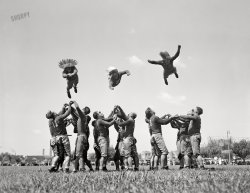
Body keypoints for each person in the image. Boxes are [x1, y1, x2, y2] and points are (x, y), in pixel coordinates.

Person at [46, 102, 72, 173]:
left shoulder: (50, 121)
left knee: (56, 155)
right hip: (63, 136)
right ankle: (66, 168)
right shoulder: (59, 118)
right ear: (53, 113)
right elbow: (68, 113)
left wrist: (63, 108)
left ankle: (52, 166)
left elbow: (58, 114)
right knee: (68, 154)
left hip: (54, 138)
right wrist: (69, 106)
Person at [70, 101, 93, 173]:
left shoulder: (83, 116)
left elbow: (77, 108)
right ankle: (76, 169)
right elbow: (73, 112)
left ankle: (80, 168)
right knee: (80, 155)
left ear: (84, 111)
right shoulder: (82, 118)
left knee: (79, 155)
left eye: (82, 110)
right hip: (82, 137)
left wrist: (74, 102)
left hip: (81, 137)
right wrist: (70, 107)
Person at [115, 106, 139, 171]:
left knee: (127, 155)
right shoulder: (131, 120)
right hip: (130, 138)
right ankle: (132, 167)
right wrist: (118, 108)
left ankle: (130, 167)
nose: (128, 114)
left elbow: (121, 124)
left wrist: (115, 120)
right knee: (131, 154)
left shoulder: (130, 120)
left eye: (129, 113)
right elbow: (123, 115)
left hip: (128, 139)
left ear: (131, 115)